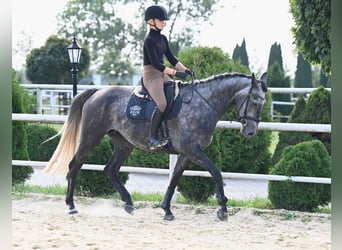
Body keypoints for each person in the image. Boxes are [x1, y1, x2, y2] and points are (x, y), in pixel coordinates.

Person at [143, 5, 193, 150]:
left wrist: (186, 70)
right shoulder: (149, 40)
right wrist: (177, 74)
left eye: (164, 20)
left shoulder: (163, 38)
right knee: (162, 104)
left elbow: (172, 58)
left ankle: (170, 131)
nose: (164, 22)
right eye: (161, 20)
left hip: (162, 74)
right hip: (151, 76)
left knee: (177, 95)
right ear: (151, 21)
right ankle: (152, 138)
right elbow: (157, 64)